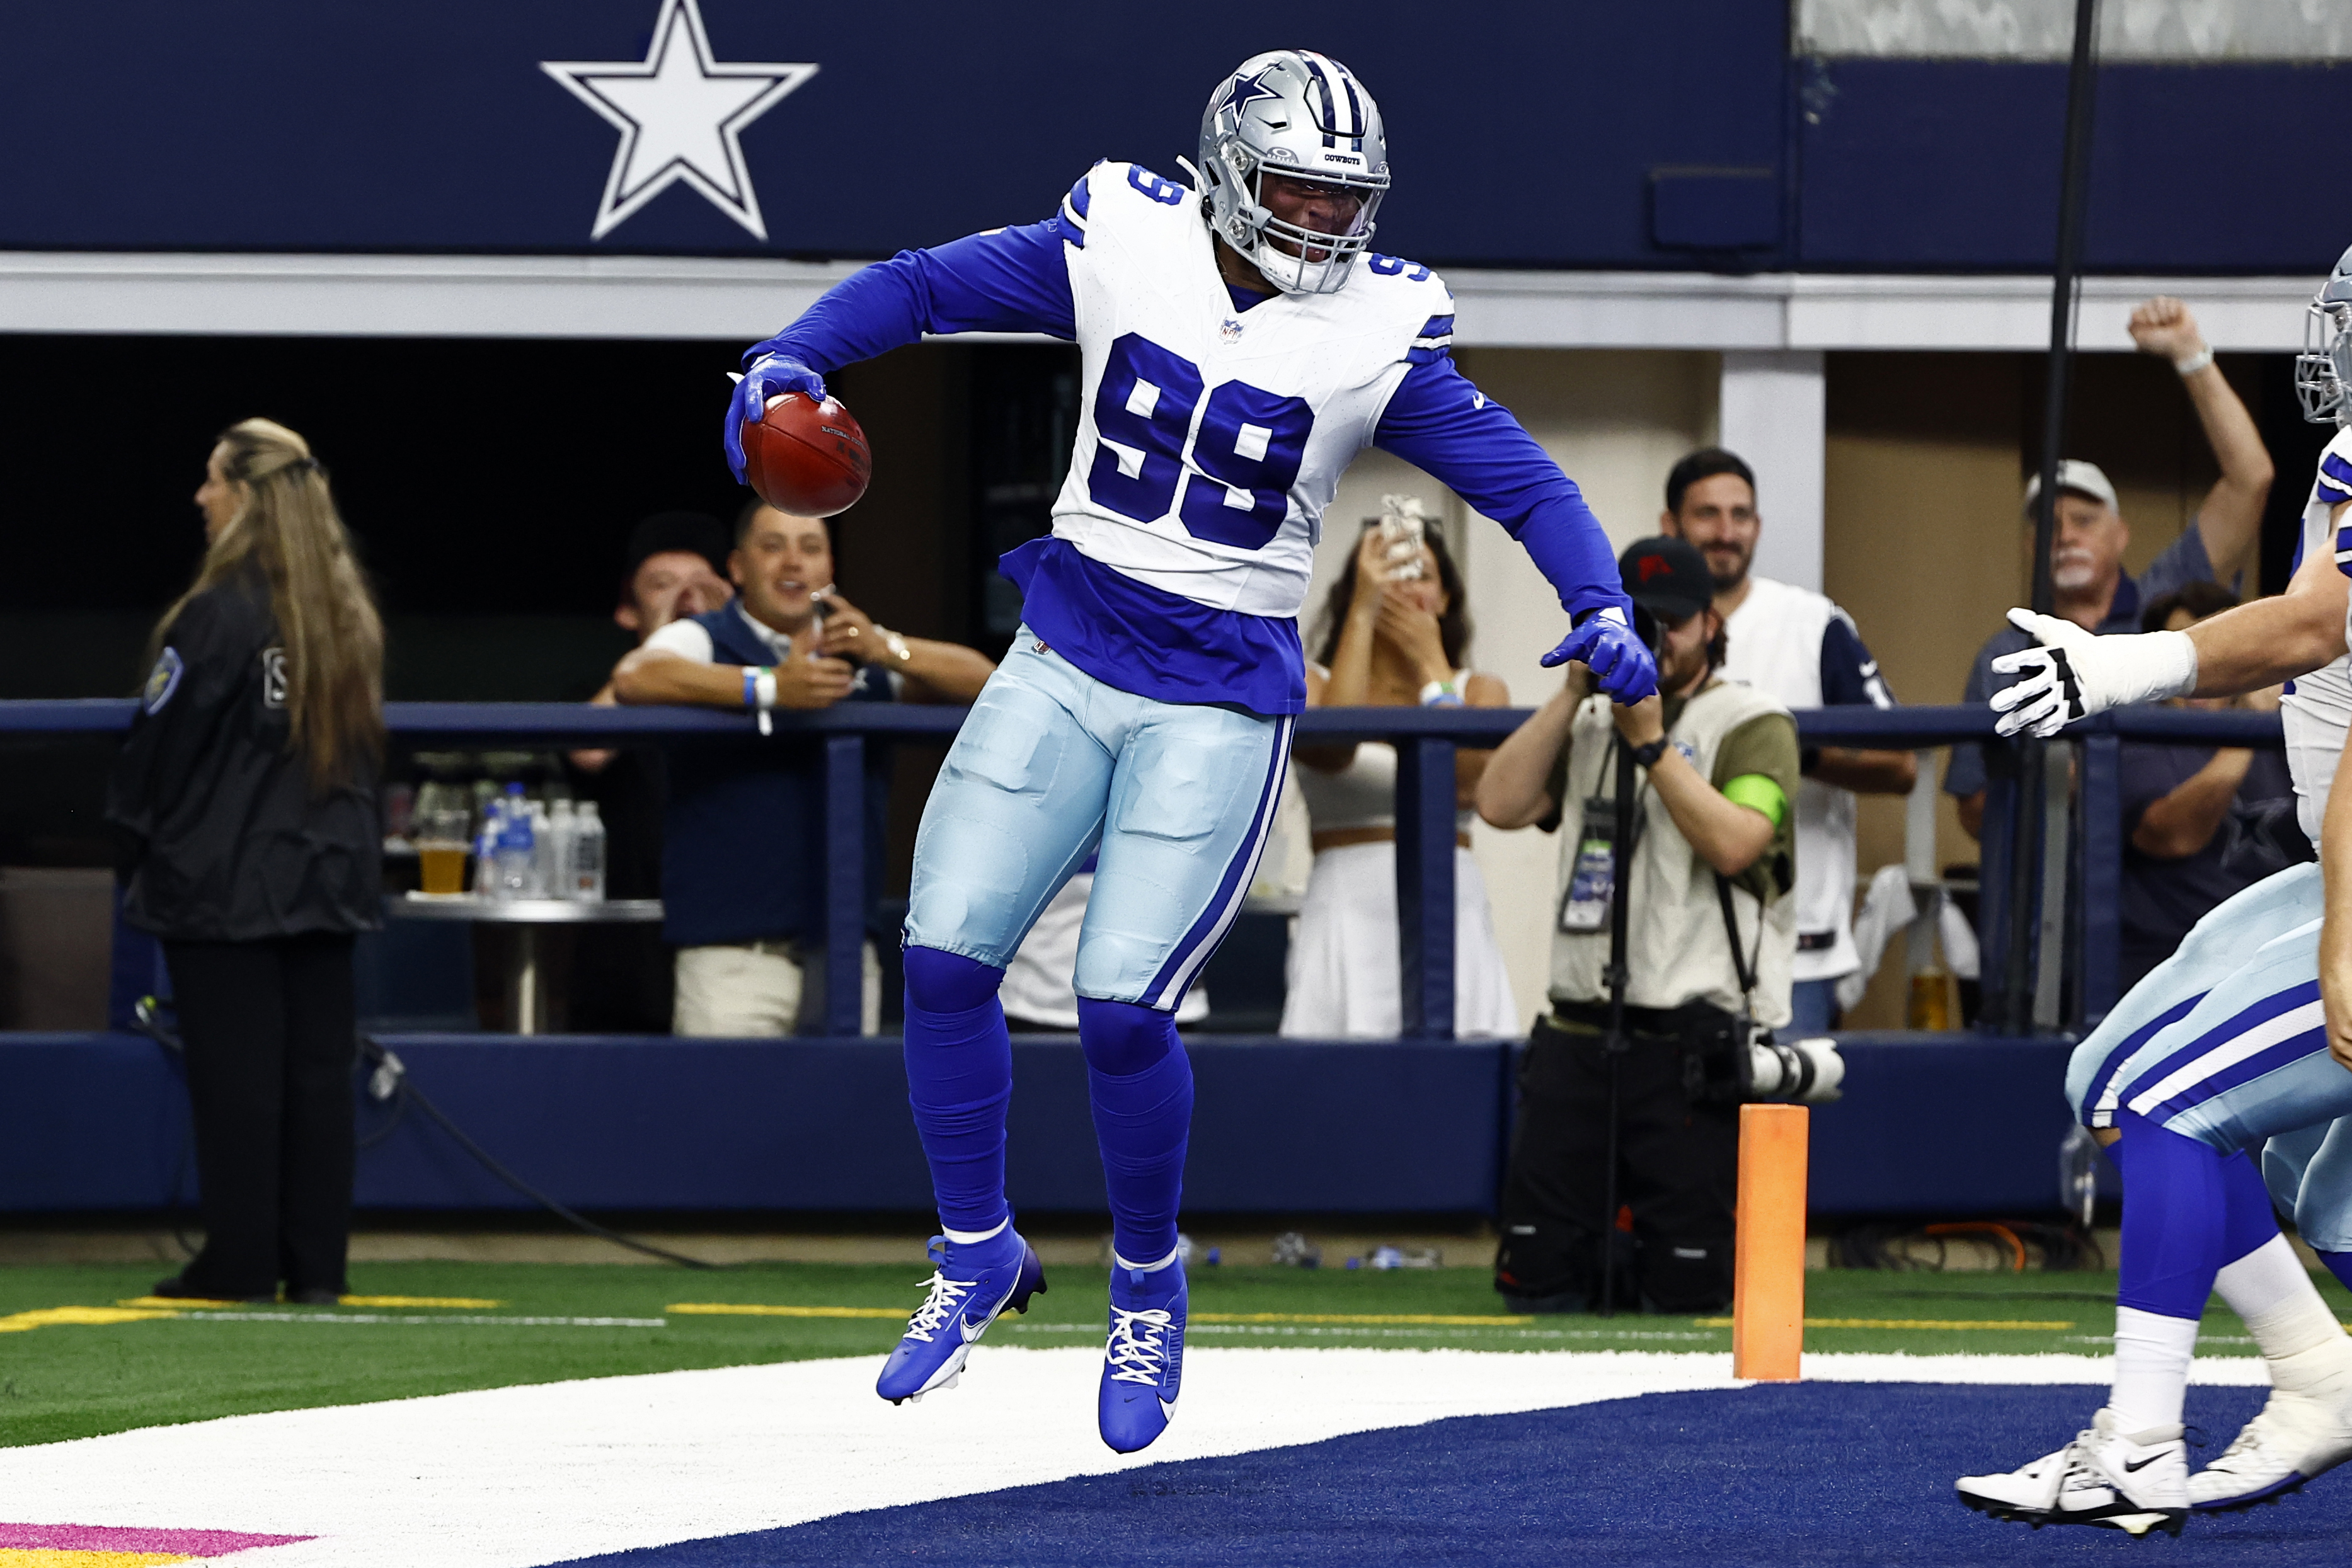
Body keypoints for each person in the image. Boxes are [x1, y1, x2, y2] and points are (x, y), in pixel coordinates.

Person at [720, 48, 1653, 1452]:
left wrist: (1599, 597)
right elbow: (921, 286)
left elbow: (1522, 478)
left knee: (1121, 1005)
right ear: (1227, 167)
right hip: (1069, 644)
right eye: (1296, 190)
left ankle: (1150, 1283)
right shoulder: (1123, 237)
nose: (1328, 225)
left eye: (1348, 200)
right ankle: (975, 1246)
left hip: (1217, 691)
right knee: (943, 951)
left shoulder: (1374, 329)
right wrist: (796, 354)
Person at [1954, 249, 2352, 1533]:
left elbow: (2312, 632)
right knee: (2111, 1075)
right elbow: (2305, 610)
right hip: (2330, 845)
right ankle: (2316, 1373)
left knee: (2178, 1100)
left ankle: (2139, 1436)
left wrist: (2129, 667)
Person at [1476, 535, 1796, 1316]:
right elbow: (1498, 803)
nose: (1660, 636)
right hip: (1577, 1035)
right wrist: (1570, 693)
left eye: (1675, 622)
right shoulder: (1584, 722)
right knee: (1539, 1277)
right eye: (1641, 620)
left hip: (1688, 1045)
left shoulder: (1752, 722)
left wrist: (1651, 744)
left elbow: (1736, 842)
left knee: (1686, 1290)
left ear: (1711, 623)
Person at [104, 418, 385, 1305]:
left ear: (245, 494)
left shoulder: (218, 612)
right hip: (326, 876)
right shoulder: (348, 616)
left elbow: (159, 745)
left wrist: (130, 841)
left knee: (238, 1083)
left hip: (223, 879)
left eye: (211, 479)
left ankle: (237, 1262)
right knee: (314, 1081)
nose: (201, 496)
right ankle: (316, 1270)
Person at [609, 502, 992, 1036]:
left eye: (809, 548)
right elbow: (635, 676)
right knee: (726, 1117)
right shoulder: (708, 635)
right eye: (772, 546)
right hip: (731, 953)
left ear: (829, 567)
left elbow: (988, 683)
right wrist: (766, 687)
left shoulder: (854, 644)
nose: (793, 563)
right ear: (738, 567)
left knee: (838, 1118)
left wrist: (887, 648)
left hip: (841, 947)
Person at [1947, 296, 2275, 841]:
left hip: (2183, 877)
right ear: (2030, 545)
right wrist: (2061, 789)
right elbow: (1972, 807)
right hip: (2054, 900)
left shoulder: (2167, 602)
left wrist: (2190, 354)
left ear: (2120, 534)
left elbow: (2251, 479)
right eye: (2049, 525)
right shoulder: (2004, 654)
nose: (2067, 535)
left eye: (2083, 518)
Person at [1660, 447, 1913, 1034]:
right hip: (1666, 938)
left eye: (1740, 515)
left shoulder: (1810, 621)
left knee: (1783, 1121)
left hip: (1792, 942)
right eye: (1707, 515)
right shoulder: (1639, 622)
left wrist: (1794, 754)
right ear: (1669, 524)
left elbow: (1900, 766)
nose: (1726, 533)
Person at [1282, 512, 1519, 1038]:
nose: (1404, 586)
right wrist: (1362, 615)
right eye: (1388, 569)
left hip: (1448, 905)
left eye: (1421, 574)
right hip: (1344, 904)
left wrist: (1432, 666)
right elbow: (1334, 746)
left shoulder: (1479, 690)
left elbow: (1466, 782)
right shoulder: (1310, 679)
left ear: (1446, 597)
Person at [565, 512, 738, 1033]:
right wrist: (666, 647)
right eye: (662, 586)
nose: (686, 600)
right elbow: (588, 749)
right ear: (626, 609)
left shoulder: (754, 686)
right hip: (623, 960)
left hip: (724, 946)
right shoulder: (615, 694)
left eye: (701, 586)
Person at [2116, 583, 2305, 992]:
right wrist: (2249, 729)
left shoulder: (2293, 730)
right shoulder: (2137, 735)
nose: (2205, 670)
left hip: (2276, 963)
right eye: (2190, 654)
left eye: (2219, 652)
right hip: (2168, 969)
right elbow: (2174, 836)